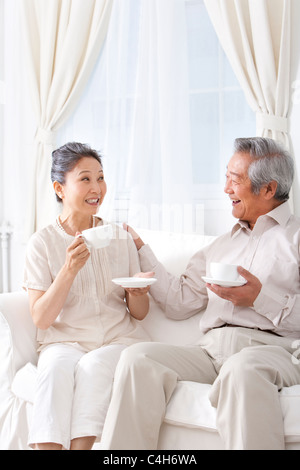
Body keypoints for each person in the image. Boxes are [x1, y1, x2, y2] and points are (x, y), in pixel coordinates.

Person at [100, 137, 300, 450]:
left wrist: (259, 298)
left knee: (243, 369)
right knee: (137, 359)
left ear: (269, 189)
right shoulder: (220, 245)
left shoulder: (295, 239)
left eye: (235, 180)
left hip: (275, 351)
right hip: (210, 352)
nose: (226, 189)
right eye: (226, 177)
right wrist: (140, 247)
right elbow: (179, 302)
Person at [23, 142, 152, 450]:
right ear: (59, 188)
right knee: (53, 371)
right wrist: (68, 270)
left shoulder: (119, 238)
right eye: (85, 179)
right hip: (64, 341)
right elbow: (41, 317)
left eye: (101, 177)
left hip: (117, 340)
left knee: (93, 367)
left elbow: (140, 313)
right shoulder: (41, 244)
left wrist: (137, 293)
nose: (97, 188)